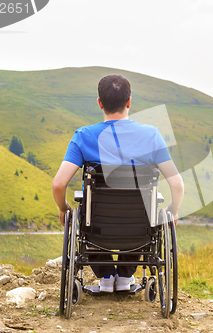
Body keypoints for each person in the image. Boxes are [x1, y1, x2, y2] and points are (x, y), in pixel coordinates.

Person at [52, 74, 184, 292]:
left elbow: (58, 185)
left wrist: (63, 208)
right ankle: (124, 277)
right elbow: (177, 184)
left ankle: (105, 277)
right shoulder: (151, 135)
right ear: (129, 101)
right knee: (141, 213)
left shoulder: (83, 136)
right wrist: (173, 211)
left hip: (97, 226)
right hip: (139, 227)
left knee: (87, 215)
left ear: (100, 103)